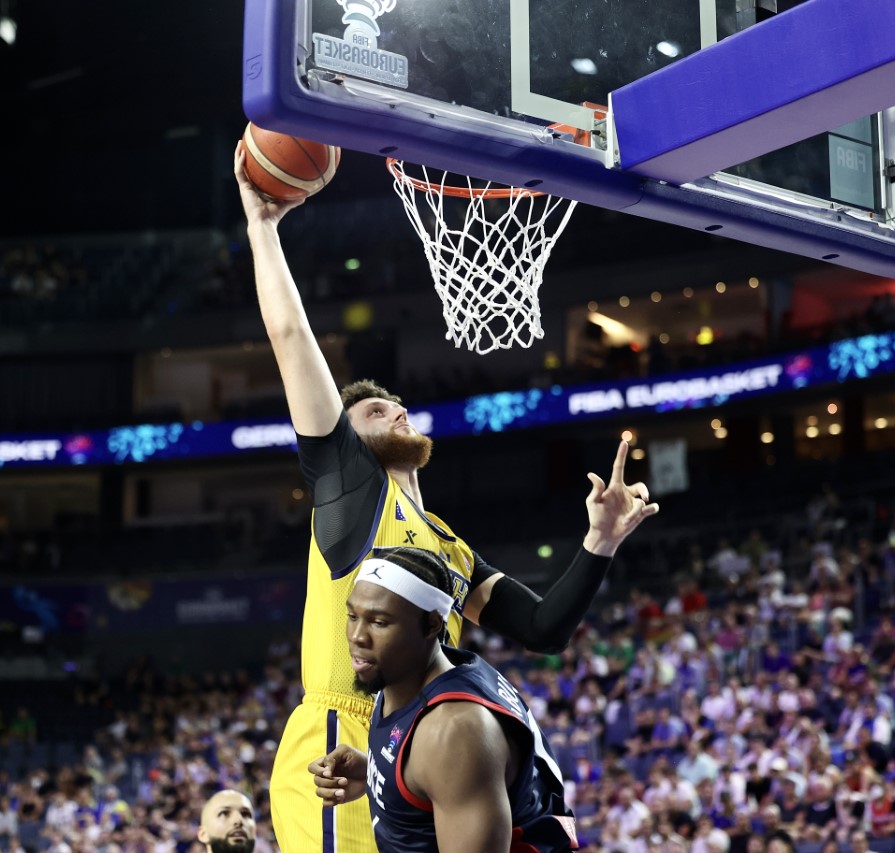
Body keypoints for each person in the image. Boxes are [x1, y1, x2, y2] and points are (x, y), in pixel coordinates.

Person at [235, 143, 658, 853]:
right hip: (341, 733)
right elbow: (288, 335)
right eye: (374, 412)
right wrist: (264, 228)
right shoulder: (351, 489)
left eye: (397, 402)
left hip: (413, 741)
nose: (394, 409)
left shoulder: (448, 545)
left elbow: (545, 628)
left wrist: (600, 543)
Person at [309, 547, 580, 852]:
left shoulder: (454, 730)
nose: (357, 635)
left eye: (379, 622)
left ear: (433, 624)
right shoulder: (412, 671)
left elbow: (452, 761)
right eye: (353, 616)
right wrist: (377, 774)